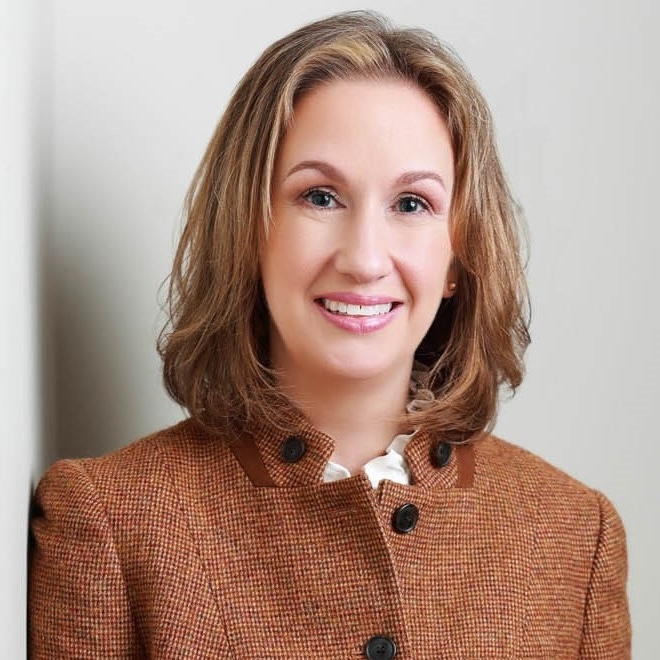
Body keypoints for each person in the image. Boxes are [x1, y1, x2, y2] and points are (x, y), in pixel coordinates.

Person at [28, 10, 630, 659]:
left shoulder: (575, 537)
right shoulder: (111, 522)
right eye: (319, 196)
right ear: (248, 230)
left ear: (458, 258)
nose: (364, 258)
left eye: (411, 204)